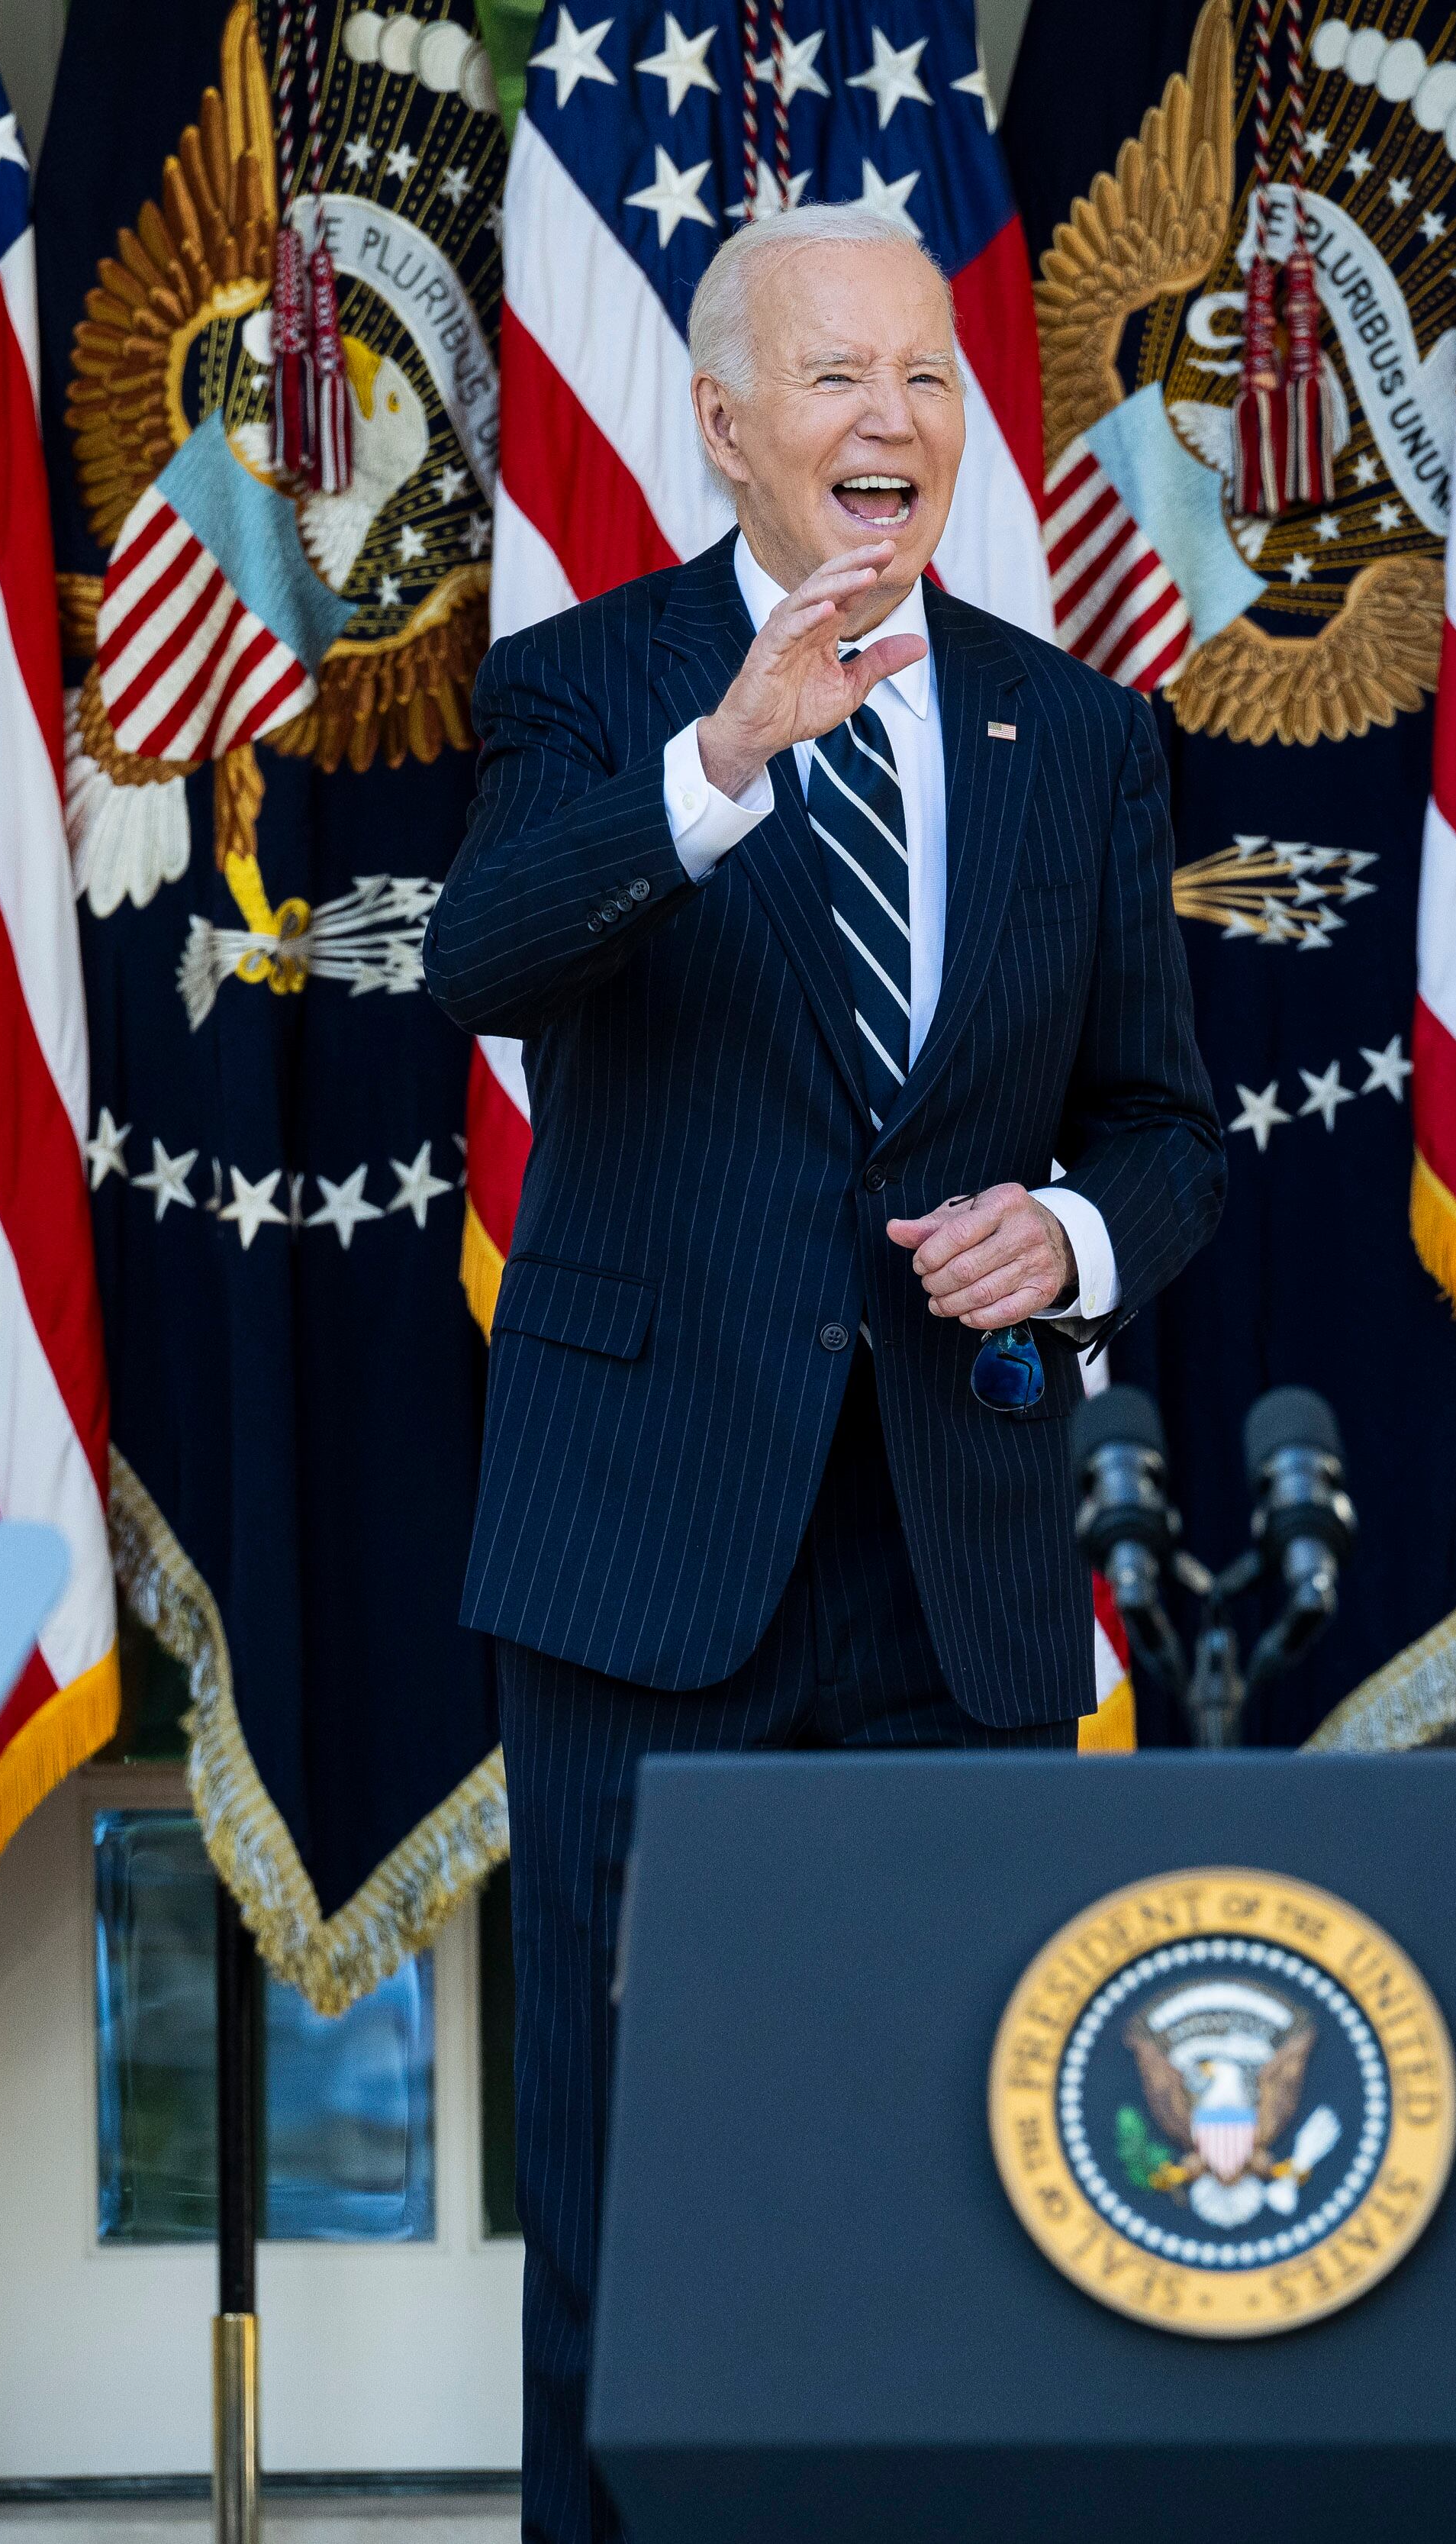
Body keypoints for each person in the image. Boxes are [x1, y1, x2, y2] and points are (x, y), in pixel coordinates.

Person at [425, 201, 1225, 2542]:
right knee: (620, 2176)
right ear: (724, 426)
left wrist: (1062, 1235)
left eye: (931, 380)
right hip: (643, 1553)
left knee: (960, 2175)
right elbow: (480, 954)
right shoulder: (588, 689)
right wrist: (722, 759)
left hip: (953, 1565)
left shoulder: (1075, 736)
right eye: (837, 380)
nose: (893, 422)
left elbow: (1161, 1133)